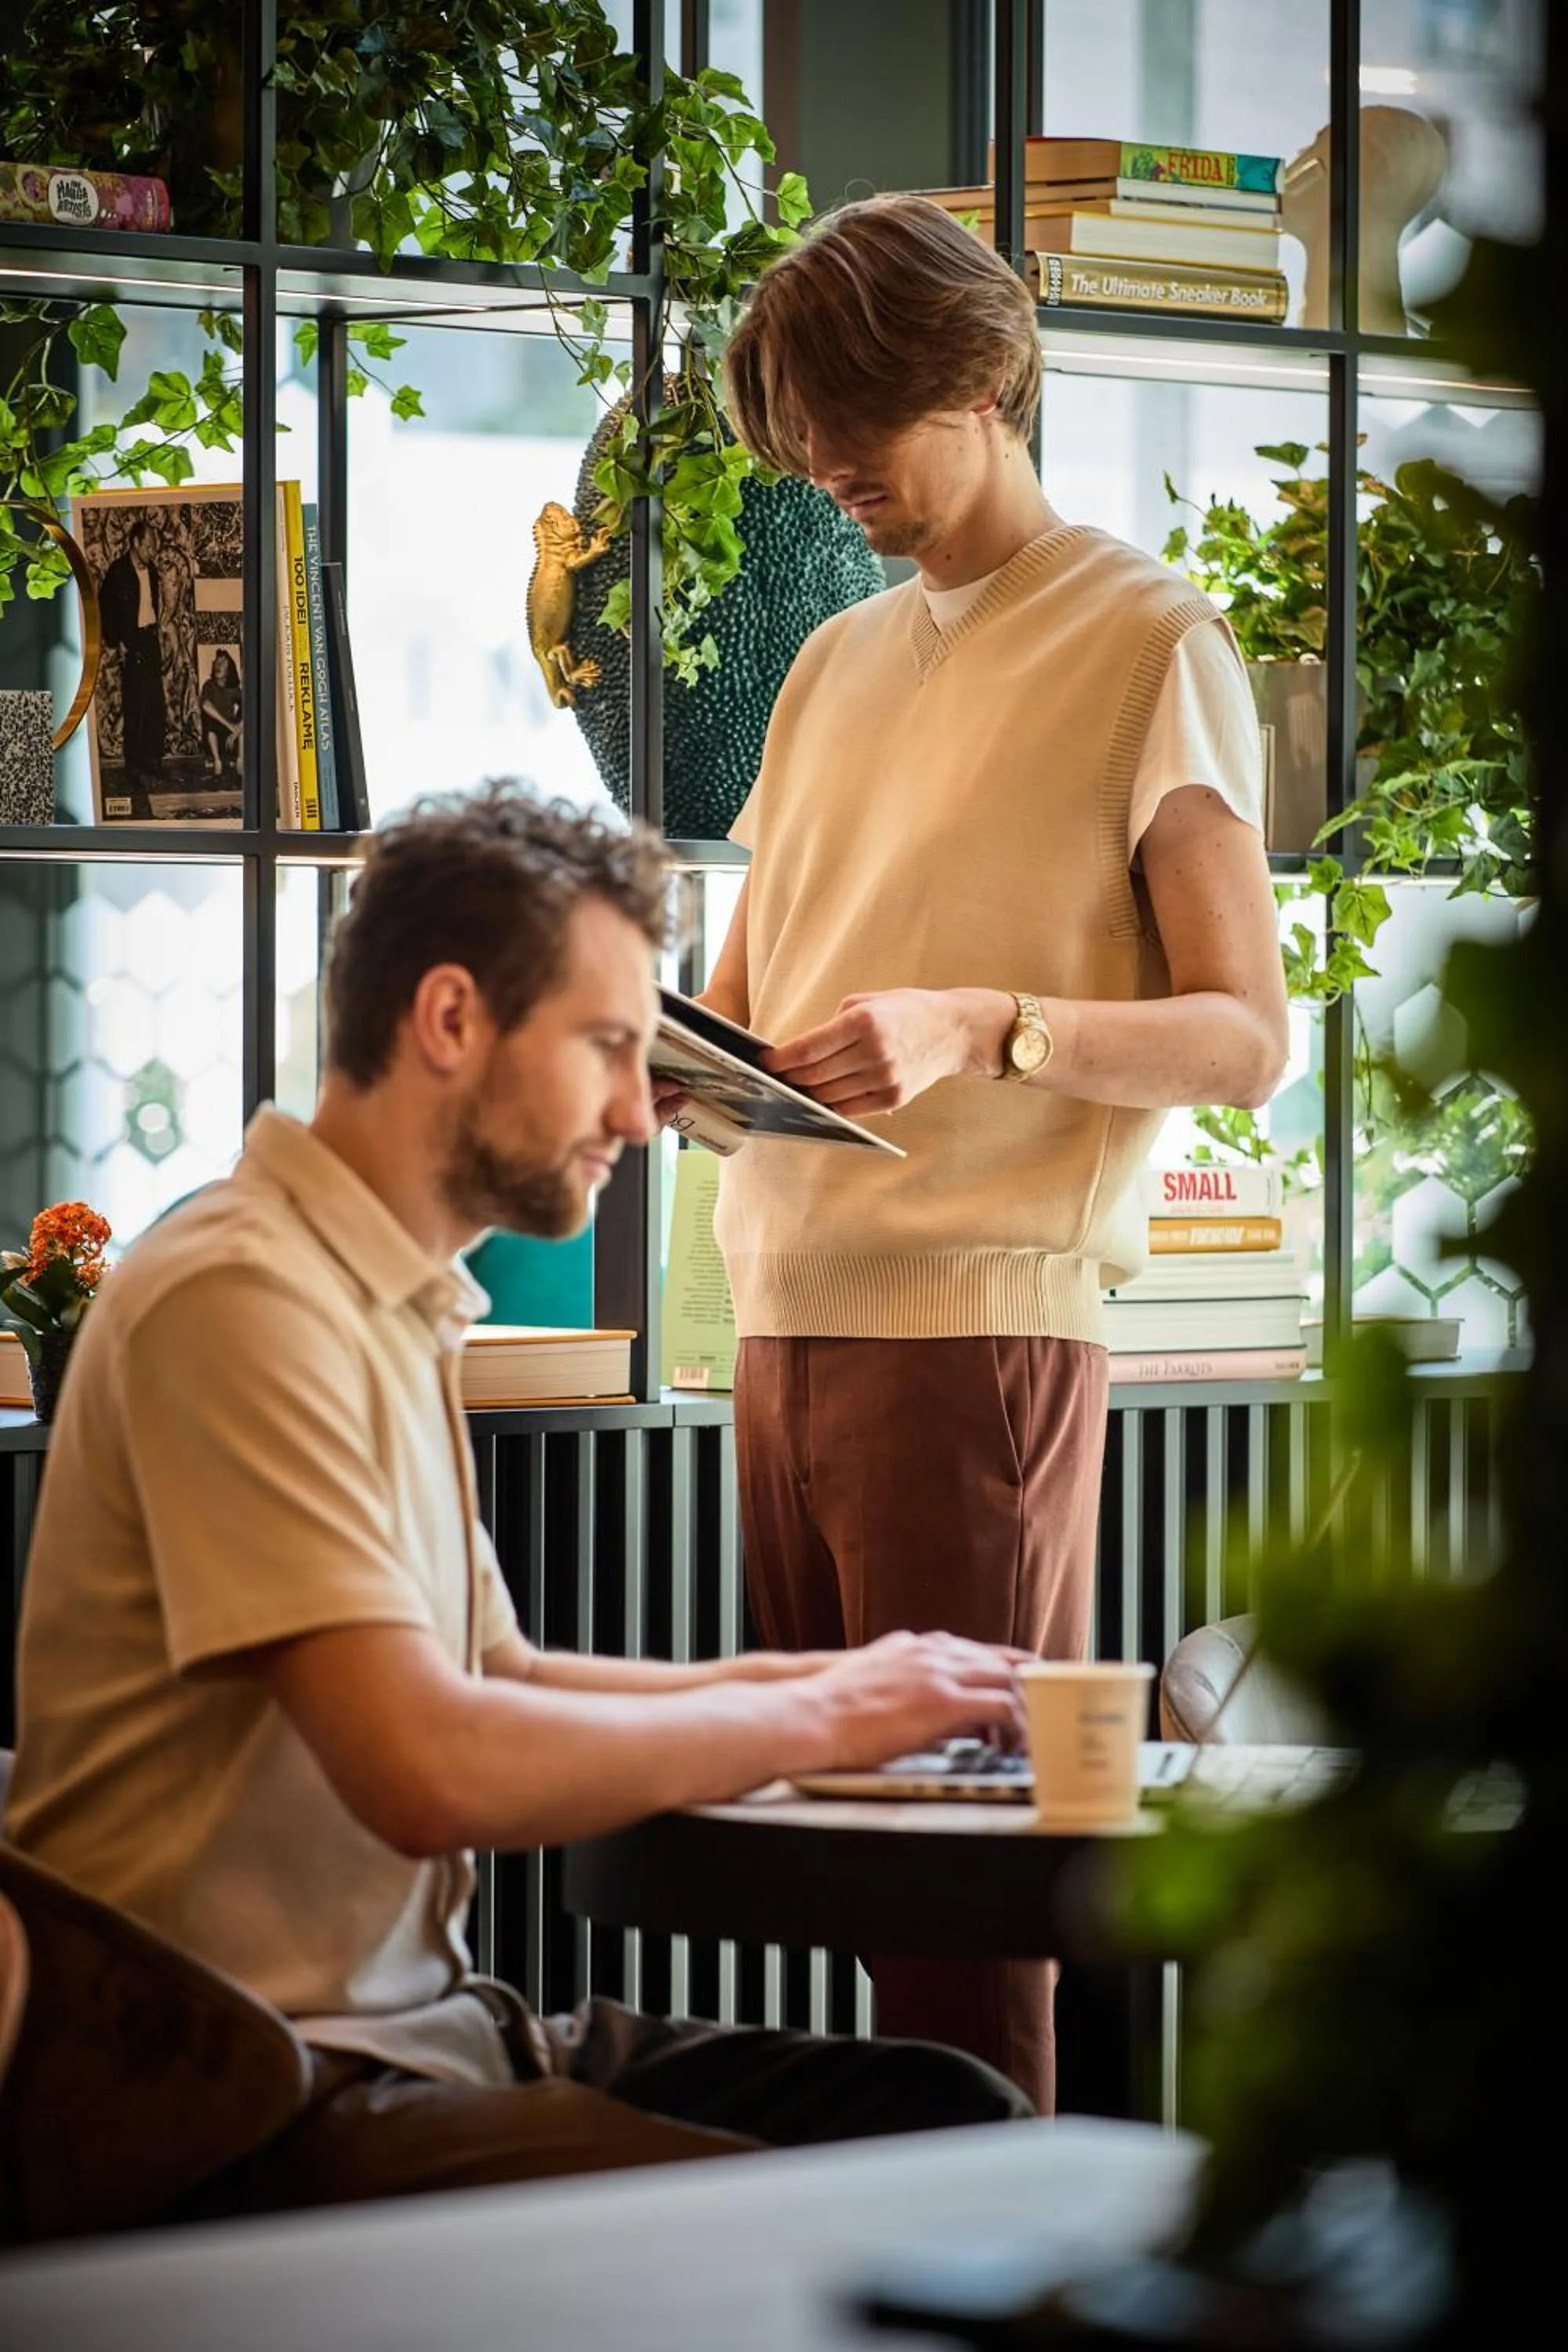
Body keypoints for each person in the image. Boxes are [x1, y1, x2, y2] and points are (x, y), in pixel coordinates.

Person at [2, 782, 1034, 2220]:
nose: (640, 1110)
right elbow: (430, 1768)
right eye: (611, 1047)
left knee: (953, 2116)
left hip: (427, 2034)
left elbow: (500, 1675)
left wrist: (854, 1679)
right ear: (448, 1021)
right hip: (245, 2096)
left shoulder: (384, 1296)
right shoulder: (240, 1297)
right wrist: (823, 1723)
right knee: (861, 2208)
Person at [682, 194, 1291, 2113]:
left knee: (958, 1919)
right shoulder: (826, 662)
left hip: (978, 1336)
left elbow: (1242, 1035)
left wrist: (988, 1022)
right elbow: (747, 987)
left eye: (860, 428)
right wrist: (647, 1047)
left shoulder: (1142, 638)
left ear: (988, 374)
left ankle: (988, 2271)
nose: (829, 473)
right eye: (802, 441)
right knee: (836, 1877)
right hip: (774, 1320)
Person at [97, 517, 167, 782]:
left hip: (150, 639)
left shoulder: (152, 572)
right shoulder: (118, 572)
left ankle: (152, 760)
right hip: (131, 642)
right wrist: (119, 642)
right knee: (135, 706)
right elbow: (105, 610)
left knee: (155, 705)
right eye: (148, 546)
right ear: (136, 543)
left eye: (154, 547)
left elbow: (151, 605)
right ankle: (134, 766)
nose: (153, 551)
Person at [199, 647, 243, 778]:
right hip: (213, 736)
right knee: (209, 720)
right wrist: (230, 726)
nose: (218, 666)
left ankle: (240, 760)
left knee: (244, 720)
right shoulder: (209, 685)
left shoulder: (234, 689)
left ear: (230, 669)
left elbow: (249, 707)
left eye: (223, 663)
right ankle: (217, 761)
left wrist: (237, 730)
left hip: (230, 738)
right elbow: (205, 705)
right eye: (217, 663)